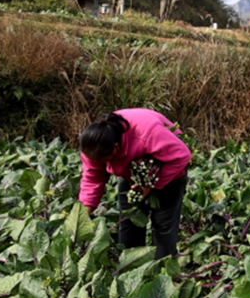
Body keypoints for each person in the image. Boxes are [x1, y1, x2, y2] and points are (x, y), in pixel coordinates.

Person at [78, 109, 192, 259]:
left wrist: (150, 185)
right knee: (129, 221)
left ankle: (164, 272)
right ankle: (130, 271)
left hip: (169, 172)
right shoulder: (92, 145)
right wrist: (82, 216)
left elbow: (182, 155)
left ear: (116, 147)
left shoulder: (147, 133)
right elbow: (92, 177)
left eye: (105, 160)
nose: (101, 164)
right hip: (131, 173)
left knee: (163, 227)